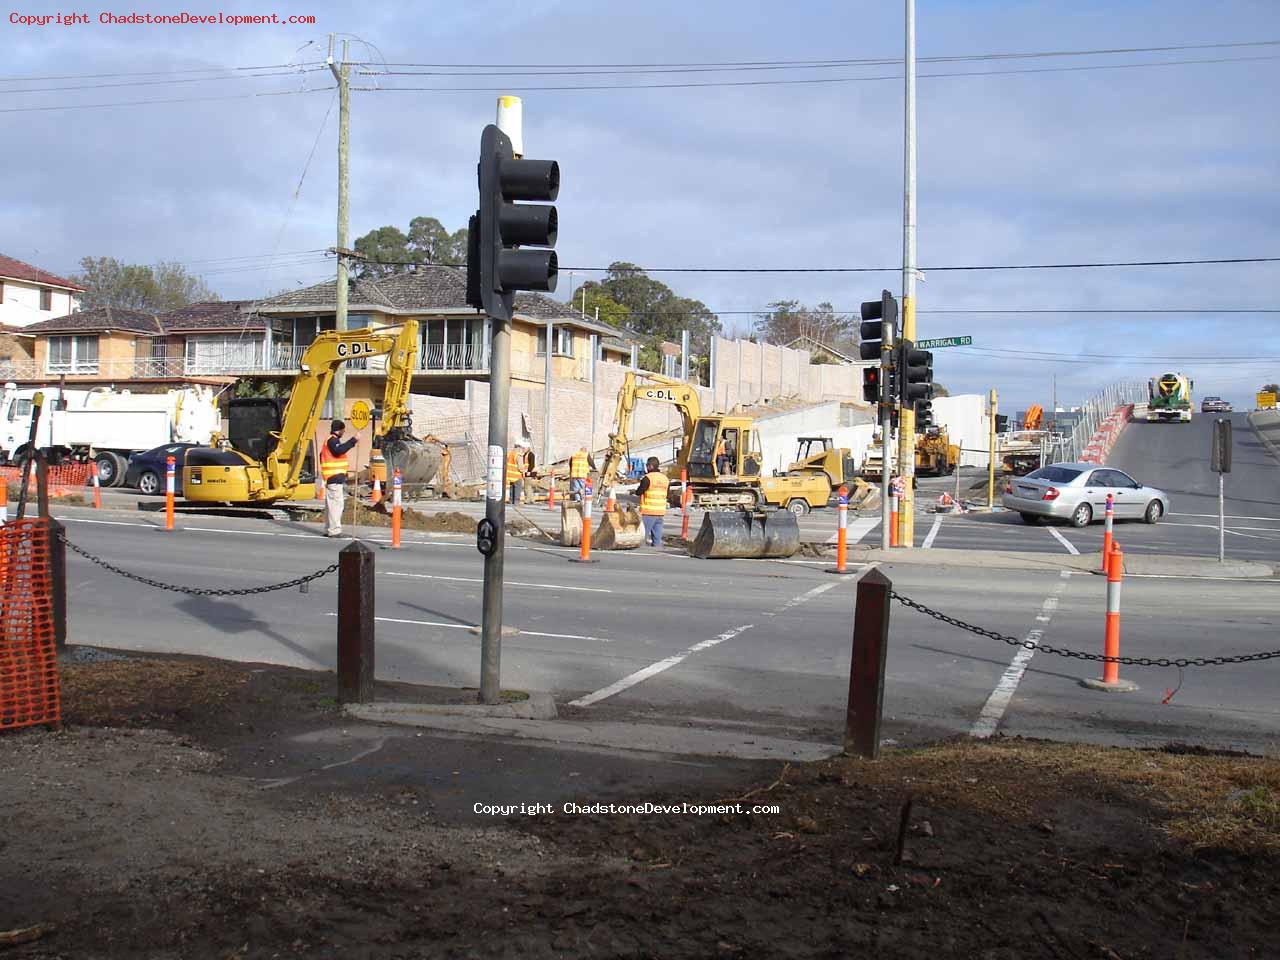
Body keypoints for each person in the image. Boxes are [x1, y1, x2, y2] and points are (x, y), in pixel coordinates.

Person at [320, 419, 357, 537]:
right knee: (336, 505)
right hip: (334, 478)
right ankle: (334, 530)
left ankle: (329, 529)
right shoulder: (332, 441)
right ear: (339, 430)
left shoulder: (329, 440)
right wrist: (353, 440)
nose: (344, 432)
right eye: (343, 430)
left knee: (331, 505)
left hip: (332, 478)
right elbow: (339, 450)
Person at [635, 456, 669, 548]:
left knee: (643, 535)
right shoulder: (665, 478)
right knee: (657, 537)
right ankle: (657, 551)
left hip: (649, 511)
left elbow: (639, 491)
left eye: (647, 465)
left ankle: (642, 552)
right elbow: (667, 493)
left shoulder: (647, 478)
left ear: (650, 466)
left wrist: (636, 491)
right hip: (660, 511)